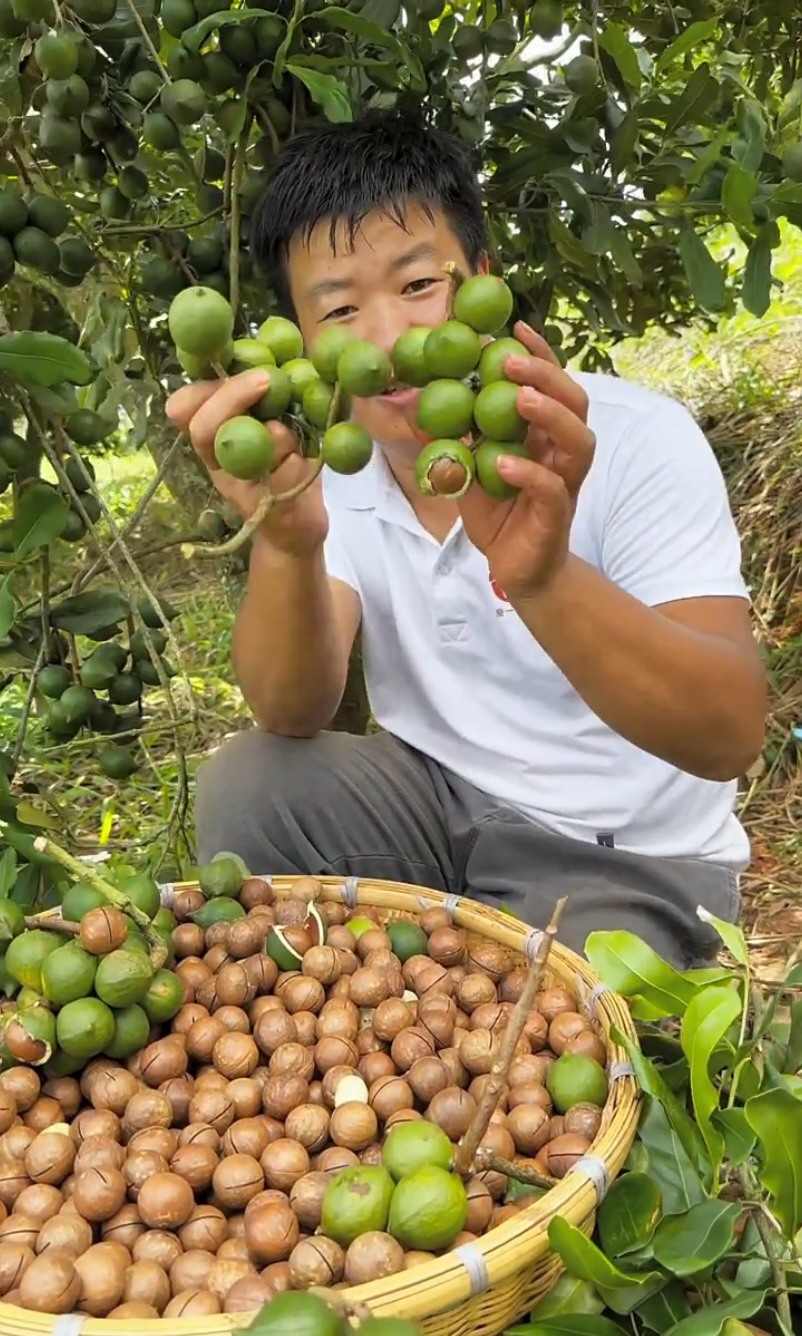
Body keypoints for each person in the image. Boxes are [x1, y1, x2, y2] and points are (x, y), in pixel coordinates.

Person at [165, 111, 768, 970]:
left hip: (627, 859)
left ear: (481, 277)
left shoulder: (635, 438)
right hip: (442, 816)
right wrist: (290, 544)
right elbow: (290, 707)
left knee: (550, 1043)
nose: (388, 338)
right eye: (339, 307)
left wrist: (546, 578)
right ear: (299, 338)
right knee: (254, 779)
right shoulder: (333, 472)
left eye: (418, 286)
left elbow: (727, 732)